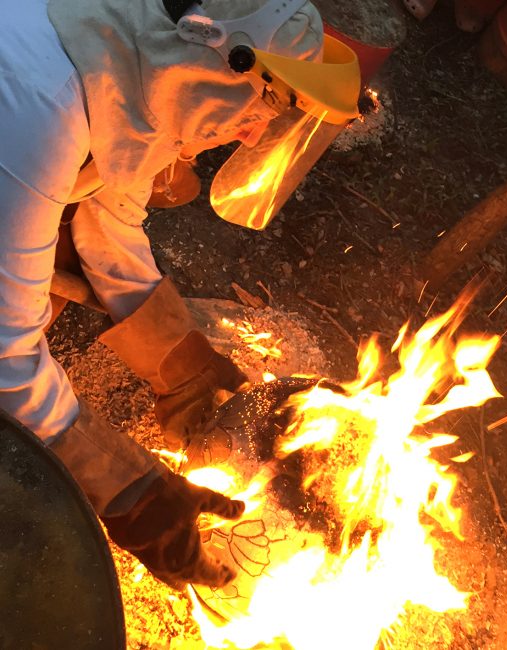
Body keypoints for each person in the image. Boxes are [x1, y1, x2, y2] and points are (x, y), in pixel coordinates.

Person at [0, 0, 330, 590]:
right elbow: (5, 355)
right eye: (264, 106)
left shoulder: (135, 57)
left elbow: (110, 218)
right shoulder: (38, 114)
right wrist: (131, 491)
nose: (254, 133)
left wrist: (183, 365)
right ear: (211, 56)